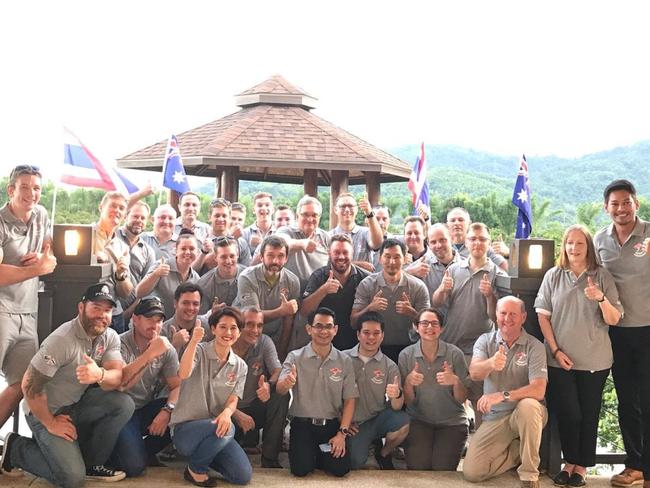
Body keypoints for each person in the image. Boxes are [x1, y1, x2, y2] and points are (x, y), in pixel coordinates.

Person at [1, 283, 134, 485]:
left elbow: (118, 377)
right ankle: (16, 449)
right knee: (71, 479)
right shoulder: (63, 339)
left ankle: (91, 464)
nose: (102, 315)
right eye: (96, 308)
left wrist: (100, 374)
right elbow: (29, 384)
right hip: (44, 410)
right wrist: (50, 422)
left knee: (123, 403)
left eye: (107, 310)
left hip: (75, 405)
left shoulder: (109, 337)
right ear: (81, 308)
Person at [535, 224, 623, 486]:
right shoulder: (553, 275)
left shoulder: (602, 276)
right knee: (568, 413)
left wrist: (600, 298)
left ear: (589, 247)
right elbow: (543, 316)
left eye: (579, 243)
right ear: (564, 246)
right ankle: (569, 461)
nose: (573, 248)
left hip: (594, 359)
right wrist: (555, 350)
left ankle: (581, 467)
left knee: (588, 413)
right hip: (559, 360)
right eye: (569, 243)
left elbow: (615, 318)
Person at [593, 179, 650, 488]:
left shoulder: (649, 233)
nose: (620, 208)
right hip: (616, 332)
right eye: (614, 204)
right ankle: (635, 465)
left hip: (648, 330)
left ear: (635, 204)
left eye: (626, 202)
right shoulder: (599, 240)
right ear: (606, 208)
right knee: (628, 401)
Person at [463, 296, 548, 488]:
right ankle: (517, 452)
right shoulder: (485, 341)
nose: (507, 318)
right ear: (496, 315)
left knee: (528, 405)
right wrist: (491, 363)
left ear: (523, 317)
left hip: (526, 414)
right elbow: (475, 373)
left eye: (513, 314)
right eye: (503, 313)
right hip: (496, 417)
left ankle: (529, 475)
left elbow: (539, 389)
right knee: (472, 472)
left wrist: (502, 395)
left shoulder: (534, 346)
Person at [0, 164, 56, 430]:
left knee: (24, 382)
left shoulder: (41, 215)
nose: (31, 193)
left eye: (36, 188)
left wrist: (44, 258)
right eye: (24, 187)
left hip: (28, 313)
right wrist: (37, 269)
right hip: (1, 311)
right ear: (11, 190)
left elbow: (50, 252)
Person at [170, 307, 252, 487]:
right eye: (222, 327)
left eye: (233, 328)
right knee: (228, 429)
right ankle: (196, 469)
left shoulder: (240, 366)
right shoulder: (199, 350)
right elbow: (183, 374)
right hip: (187, 431)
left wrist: (226, 414)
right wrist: (192, 342)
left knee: (242, 475)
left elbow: (233, 399)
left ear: (239, 332)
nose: (228, 332)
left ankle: (206, 455)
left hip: (216, 432)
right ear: (213, 329)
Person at [277, 307, 359, 477]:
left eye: (328, 326)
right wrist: (286, 382)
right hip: (302, 424)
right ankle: (312, 454)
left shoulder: (344, 361)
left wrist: (341, 434)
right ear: (309, 329)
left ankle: (319, 454)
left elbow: (350, 399)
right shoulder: (295, 357)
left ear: (335, 330)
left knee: (340, 470)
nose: (324, 331)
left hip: (331, 426)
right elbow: (280, 388)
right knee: (301, 470)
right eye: (318, 326)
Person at [110, 298, 181, 477]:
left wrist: (167, 410)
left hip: (145, 408)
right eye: (149, 319)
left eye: (159, 320)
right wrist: (149, 355)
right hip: (121, 409)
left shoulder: (166, 347)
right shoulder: (118, 343)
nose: (155, 325)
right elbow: (122, 385)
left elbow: (177, 386)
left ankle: (139, 450)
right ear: (135, 319)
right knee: (134, 468)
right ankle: (119, 454)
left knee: (182, 410)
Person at [398, 308, 469, 471]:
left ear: (442, 328)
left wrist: (455, 381)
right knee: (418, 469)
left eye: (434, 323)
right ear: (416, 327)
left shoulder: (454, 354)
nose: (429, 327)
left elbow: (462, 398)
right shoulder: (406, 355)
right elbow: (407, 402)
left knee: (441, 470)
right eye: (424, 323)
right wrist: (408, 383)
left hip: (452, 423)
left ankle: (454, 446)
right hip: (419, 421)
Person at [345, 312, 409, 470]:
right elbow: (330, 395)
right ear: (358, 334)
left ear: (382, 336)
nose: (371, 338)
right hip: (352, 423)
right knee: (355, 462)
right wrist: (343, 420)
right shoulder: (342, 358)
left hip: (376, 418)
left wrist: (397, 394)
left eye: (376, 333)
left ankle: (384, 453)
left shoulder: (390, 366)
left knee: (403, 422)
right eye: (366, 333)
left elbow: (396, 406)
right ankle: (369, 445)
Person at [352, 238, 430, 363]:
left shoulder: (418, 286)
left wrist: (412, 313)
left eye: (397, 257)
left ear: (405, 259)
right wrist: (369, 308)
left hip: (409, 349)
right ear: (380, 258)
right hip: (374, 348)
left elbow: (429, 326)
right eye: (387, 256)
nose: (392, 262)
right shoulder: (367, 285)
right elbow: (353, 321)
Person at [231, 307, 289, 468]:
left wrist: (269, 385)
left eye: (259, 325)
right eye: (249, 324)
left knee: (281, 394)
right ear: (239, 325)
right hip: (227, 411)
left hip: (254, 407)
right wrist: (235, 414)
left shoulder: (264, 341)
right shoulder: (225, 343)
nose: (255, 330)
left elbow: (278, 370)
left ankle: (270, 458)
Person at [235, 235, 300, 360]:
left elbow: (288, 320)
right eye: (270, 255)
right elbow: (253, 316)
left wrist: (282, 349)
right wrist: (281, 311)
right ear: (261, 257)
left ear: (286, 258)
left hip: (273, 335)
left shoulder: (292, 281)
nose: (275, 261)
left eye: (280, 256)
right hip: (244, 334)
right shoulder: (247, 277)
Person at [301, 234, 370, 350]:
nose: (341, 257)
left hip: (357, 347)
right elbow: (304, 311)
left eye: (345, 252)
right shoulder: (318, 276)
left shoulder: (365, 278)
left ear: (352, 253)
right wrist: (323, 290)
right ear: (329, 253)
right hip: (325, 345)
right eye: (336, 252)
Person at [93, 191, 135, 333]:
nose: (117, 211)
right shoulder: (82, 236)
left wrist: (121, 275)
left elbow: (126, 292)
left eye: (121, 208)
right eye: (113, 206)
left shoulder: (122, 247)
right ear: (101, 207)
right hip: (89, 313)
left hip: (113, 315)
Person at [136, 229, 200, 319]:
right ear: (176, 251)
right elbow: (139, 293)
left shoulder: (196, 279)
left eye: (192, 249)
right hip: (154, 323)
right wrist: (156, 274)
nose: (188, 252)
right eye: (183, 248)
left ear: (197, 252)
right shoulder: (161, 266)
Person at [275, 195, 331, 291]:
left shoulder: (325, 237)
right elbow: (281, 244)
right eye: (305, 215)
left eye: (314, 215)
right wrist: (303, 244)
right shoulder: (285, 231)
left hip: (317, 294)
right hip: (288, 292)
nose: (310, 219)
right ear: (297, 216)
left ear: (319, 217)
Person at [114, 201, 157, 321]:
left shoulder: (148, 252)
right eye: (135, 216)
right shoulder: (112, 237)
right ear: (126, 216)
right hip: (107, 307)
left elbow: (145, 288)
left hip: (131, 313)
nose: (139, 220)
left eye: (143, 218)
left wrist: (128, 312)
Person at [328, 192, 382, 272]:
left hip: (364, 282)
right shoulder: (329, 236)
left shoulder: (365, 232)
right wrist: (359, 265)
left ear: (356, 209)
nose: (347, 210)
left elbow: (377, 243)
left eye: (350, 206)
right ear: (336, 210)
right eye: (343, 206)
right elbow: (328, 264)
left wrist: (369, 213)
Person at [194, 199, 251, 273]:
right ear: (209, 217)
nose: (221, 219)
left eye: (224, 216)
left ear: (229, 218)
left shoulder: (241, 243)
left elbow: (246, 271)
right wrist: (230, 238)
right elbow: (194, 270)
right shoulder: (200, 240)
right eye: (217, 215)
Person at [197, 236, 245, 314]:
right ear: (215, 258)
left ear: (238, 255)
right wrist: (211, 314)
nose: (228, 261)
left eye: (232, 256)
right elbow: (200, 318)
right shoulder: (204, 284)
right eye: (223, 257)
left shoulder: (249, 276)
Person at [160, 282, 208, 358]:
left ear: (200, 306)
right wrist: (173, 346)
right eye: (185, 303)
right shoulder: (162, 331)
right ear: (175, 303)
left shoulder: (207, 327)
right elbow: (155, 366)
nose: (190, 308)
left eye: (195, 304)